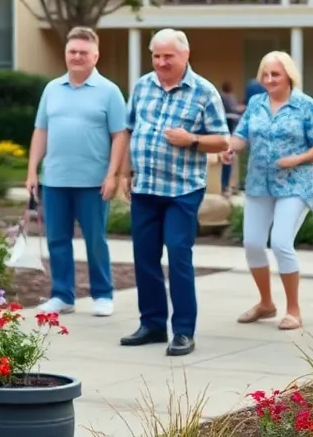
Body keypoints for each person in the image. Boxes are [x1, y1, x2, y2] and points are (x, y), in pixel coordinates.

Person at [120, 28, 230, 357]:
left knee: (179, 253)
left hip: (183, 188)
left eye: (168, 56)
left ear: (185, 55)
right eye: (156, 55)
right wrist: (124, 171)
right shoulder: (142, 85)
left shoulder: (204, 92)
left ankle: (183, 330)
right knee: (144, 256)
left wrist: (192, 140)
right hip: (146, 186)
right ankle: (152, 323)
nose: (161, 62)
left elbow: (223, 140)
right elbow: (129, 130)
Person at [222, 52, 313, 331]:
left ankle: (293, 310)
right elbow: (242, 134)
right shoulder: (256, 103)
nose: (269, 80)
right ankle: (266, 304)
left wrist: (296, 159)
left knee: (281, 242)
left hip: (294, 183)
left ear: (289, 76)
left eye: (275, 75)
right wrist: (230, 148)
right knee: (253, 244)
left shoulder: (305, 105)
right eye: (266, 75)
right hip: (259, 183)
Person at [26, 26, 127, 318]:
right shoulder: (52, 90)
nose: (77, 56)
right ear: (65, 54)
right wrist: (33, 170)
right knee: (57, 239)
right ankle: (62, 295)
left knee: (96, 239)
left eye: (83, 52)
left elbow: (120, 135)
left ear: (95, 56)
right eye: (72, 51)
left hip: (94, 182)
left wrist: (113, 175)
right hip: (55, 179)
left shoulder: (109, 91)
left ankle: (103, 293)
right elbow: (41, 130)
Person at [219, 81, 245, 194]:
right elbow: (233, 110)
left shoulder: (224, 97)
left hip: (231, 133)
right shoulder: (226, 98)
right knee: (228, 156)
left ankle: (228, 185)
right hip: (230, 131)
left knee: (230, 158)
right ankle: (226, 186)